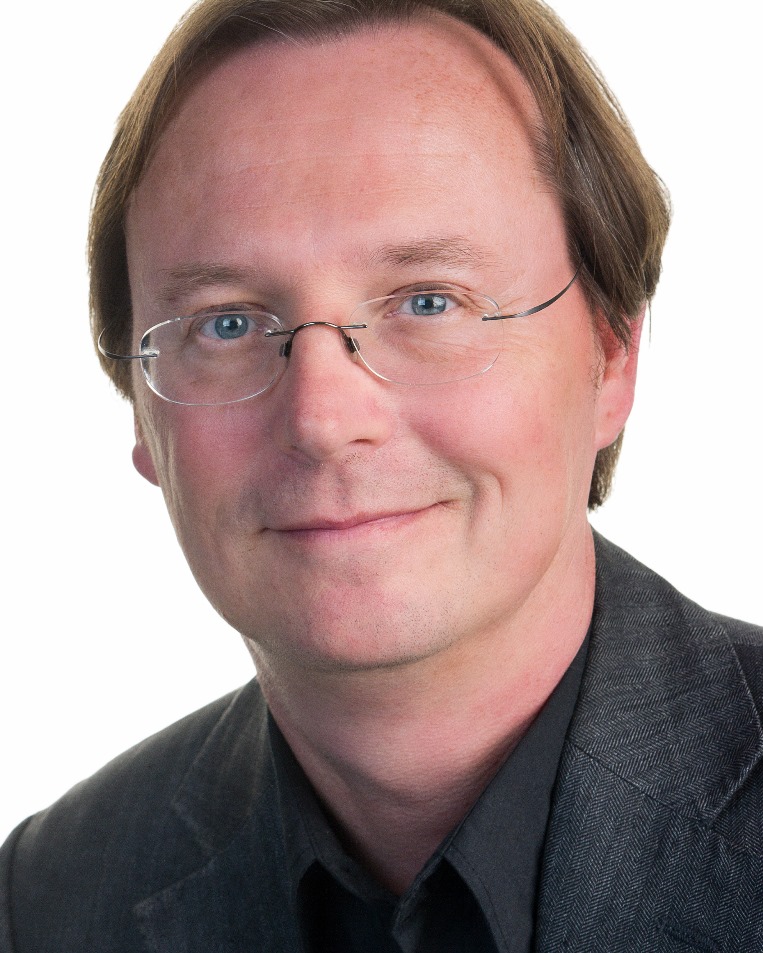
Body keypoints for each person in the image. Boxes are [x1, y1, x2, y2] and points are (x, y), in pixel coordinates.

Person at [1, 0, 761, 949]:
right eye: (225, 323)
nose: (322, 421)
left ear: (611, 357)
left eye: (429, 301)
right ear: (143, 416)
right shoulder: (52, 899)